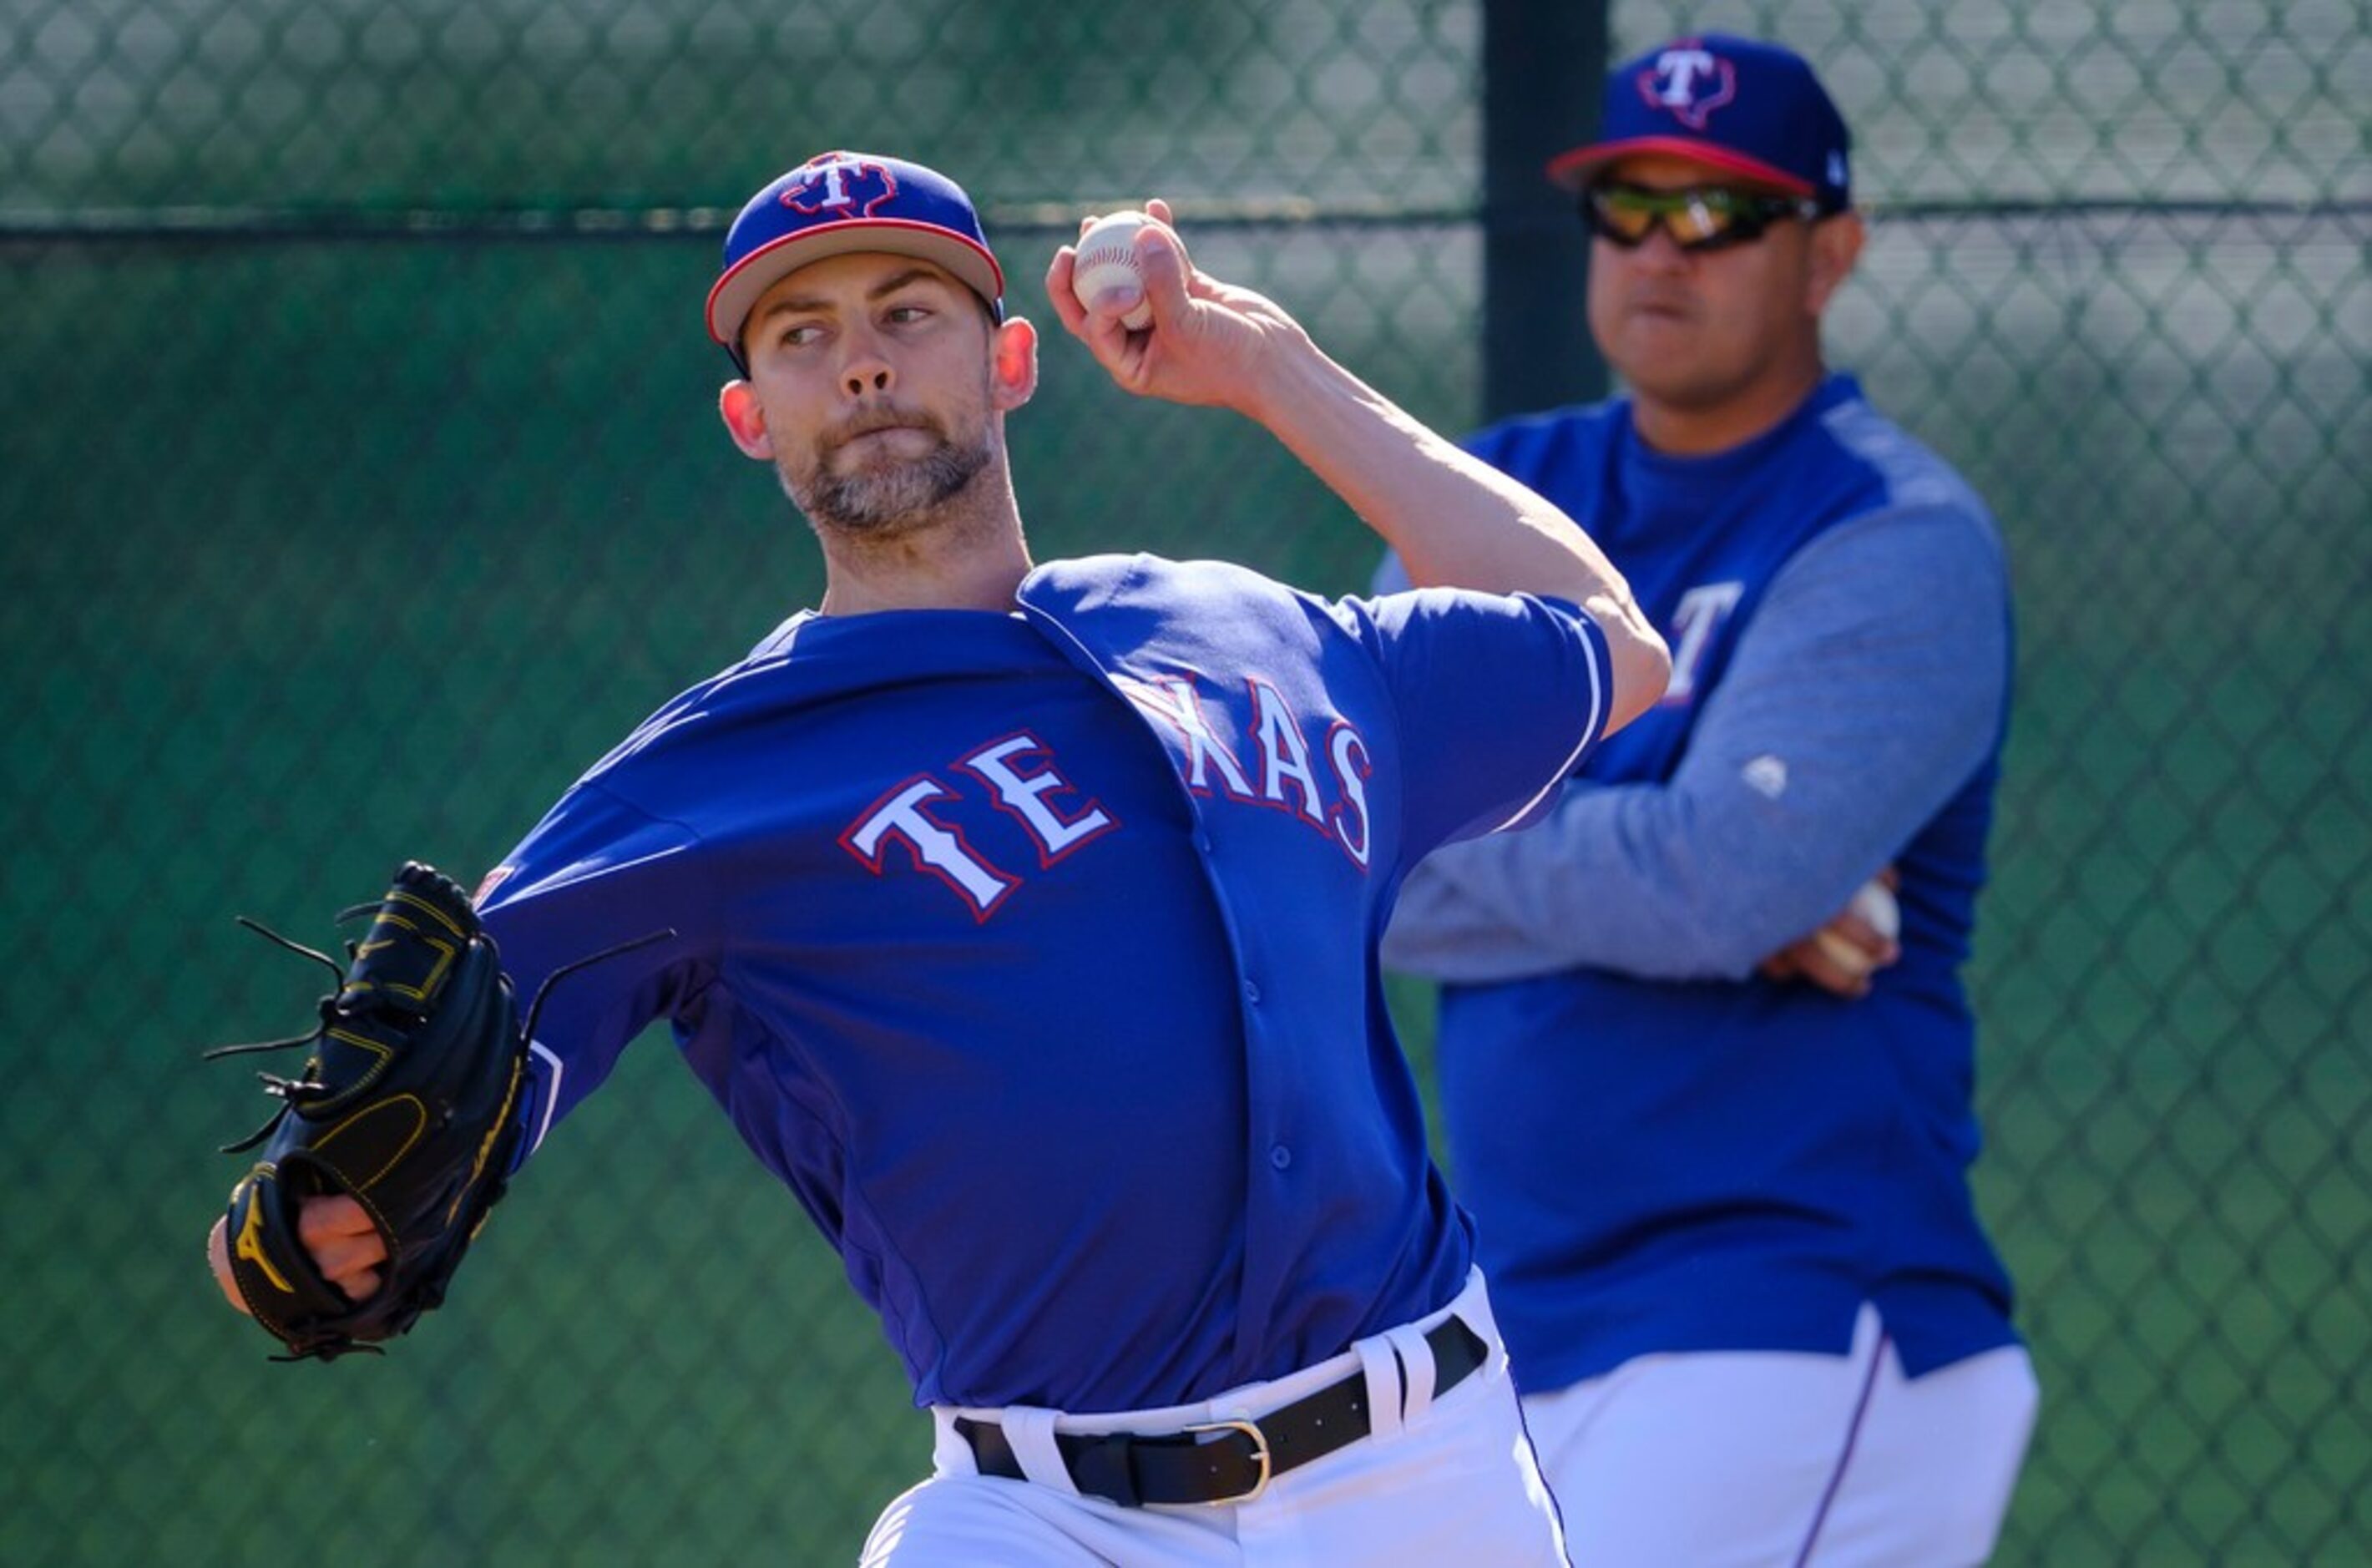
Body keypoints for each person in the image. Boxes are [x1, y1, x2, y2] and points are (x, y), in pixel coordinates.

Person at [206, 149, 1671, 1564]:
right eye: (802, 334)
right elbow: (430, 1065)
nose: (861, 364)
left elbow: (1607, 640)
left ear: (1009, 362)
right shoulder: (712, 776)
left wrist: (1266, 367)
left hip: (1426, 1477)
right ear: (749, 416)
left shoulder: (1257, 632)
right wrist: (299, 1212)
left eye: (907, 314)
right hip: (1047, 1511)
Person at [1378, 35, 2039, 1566]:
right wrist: (1689, 872)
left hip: (1790, 1311)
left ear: (1830, 252)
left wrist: (1693, 879)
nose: (1659, 250)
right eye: (1628, 205)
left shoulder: (1891, 533)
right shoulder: (1495, 492)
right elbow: (1351, 843)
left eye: (1719, 212)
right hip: (1509, 1326)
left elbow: (1719, 877)